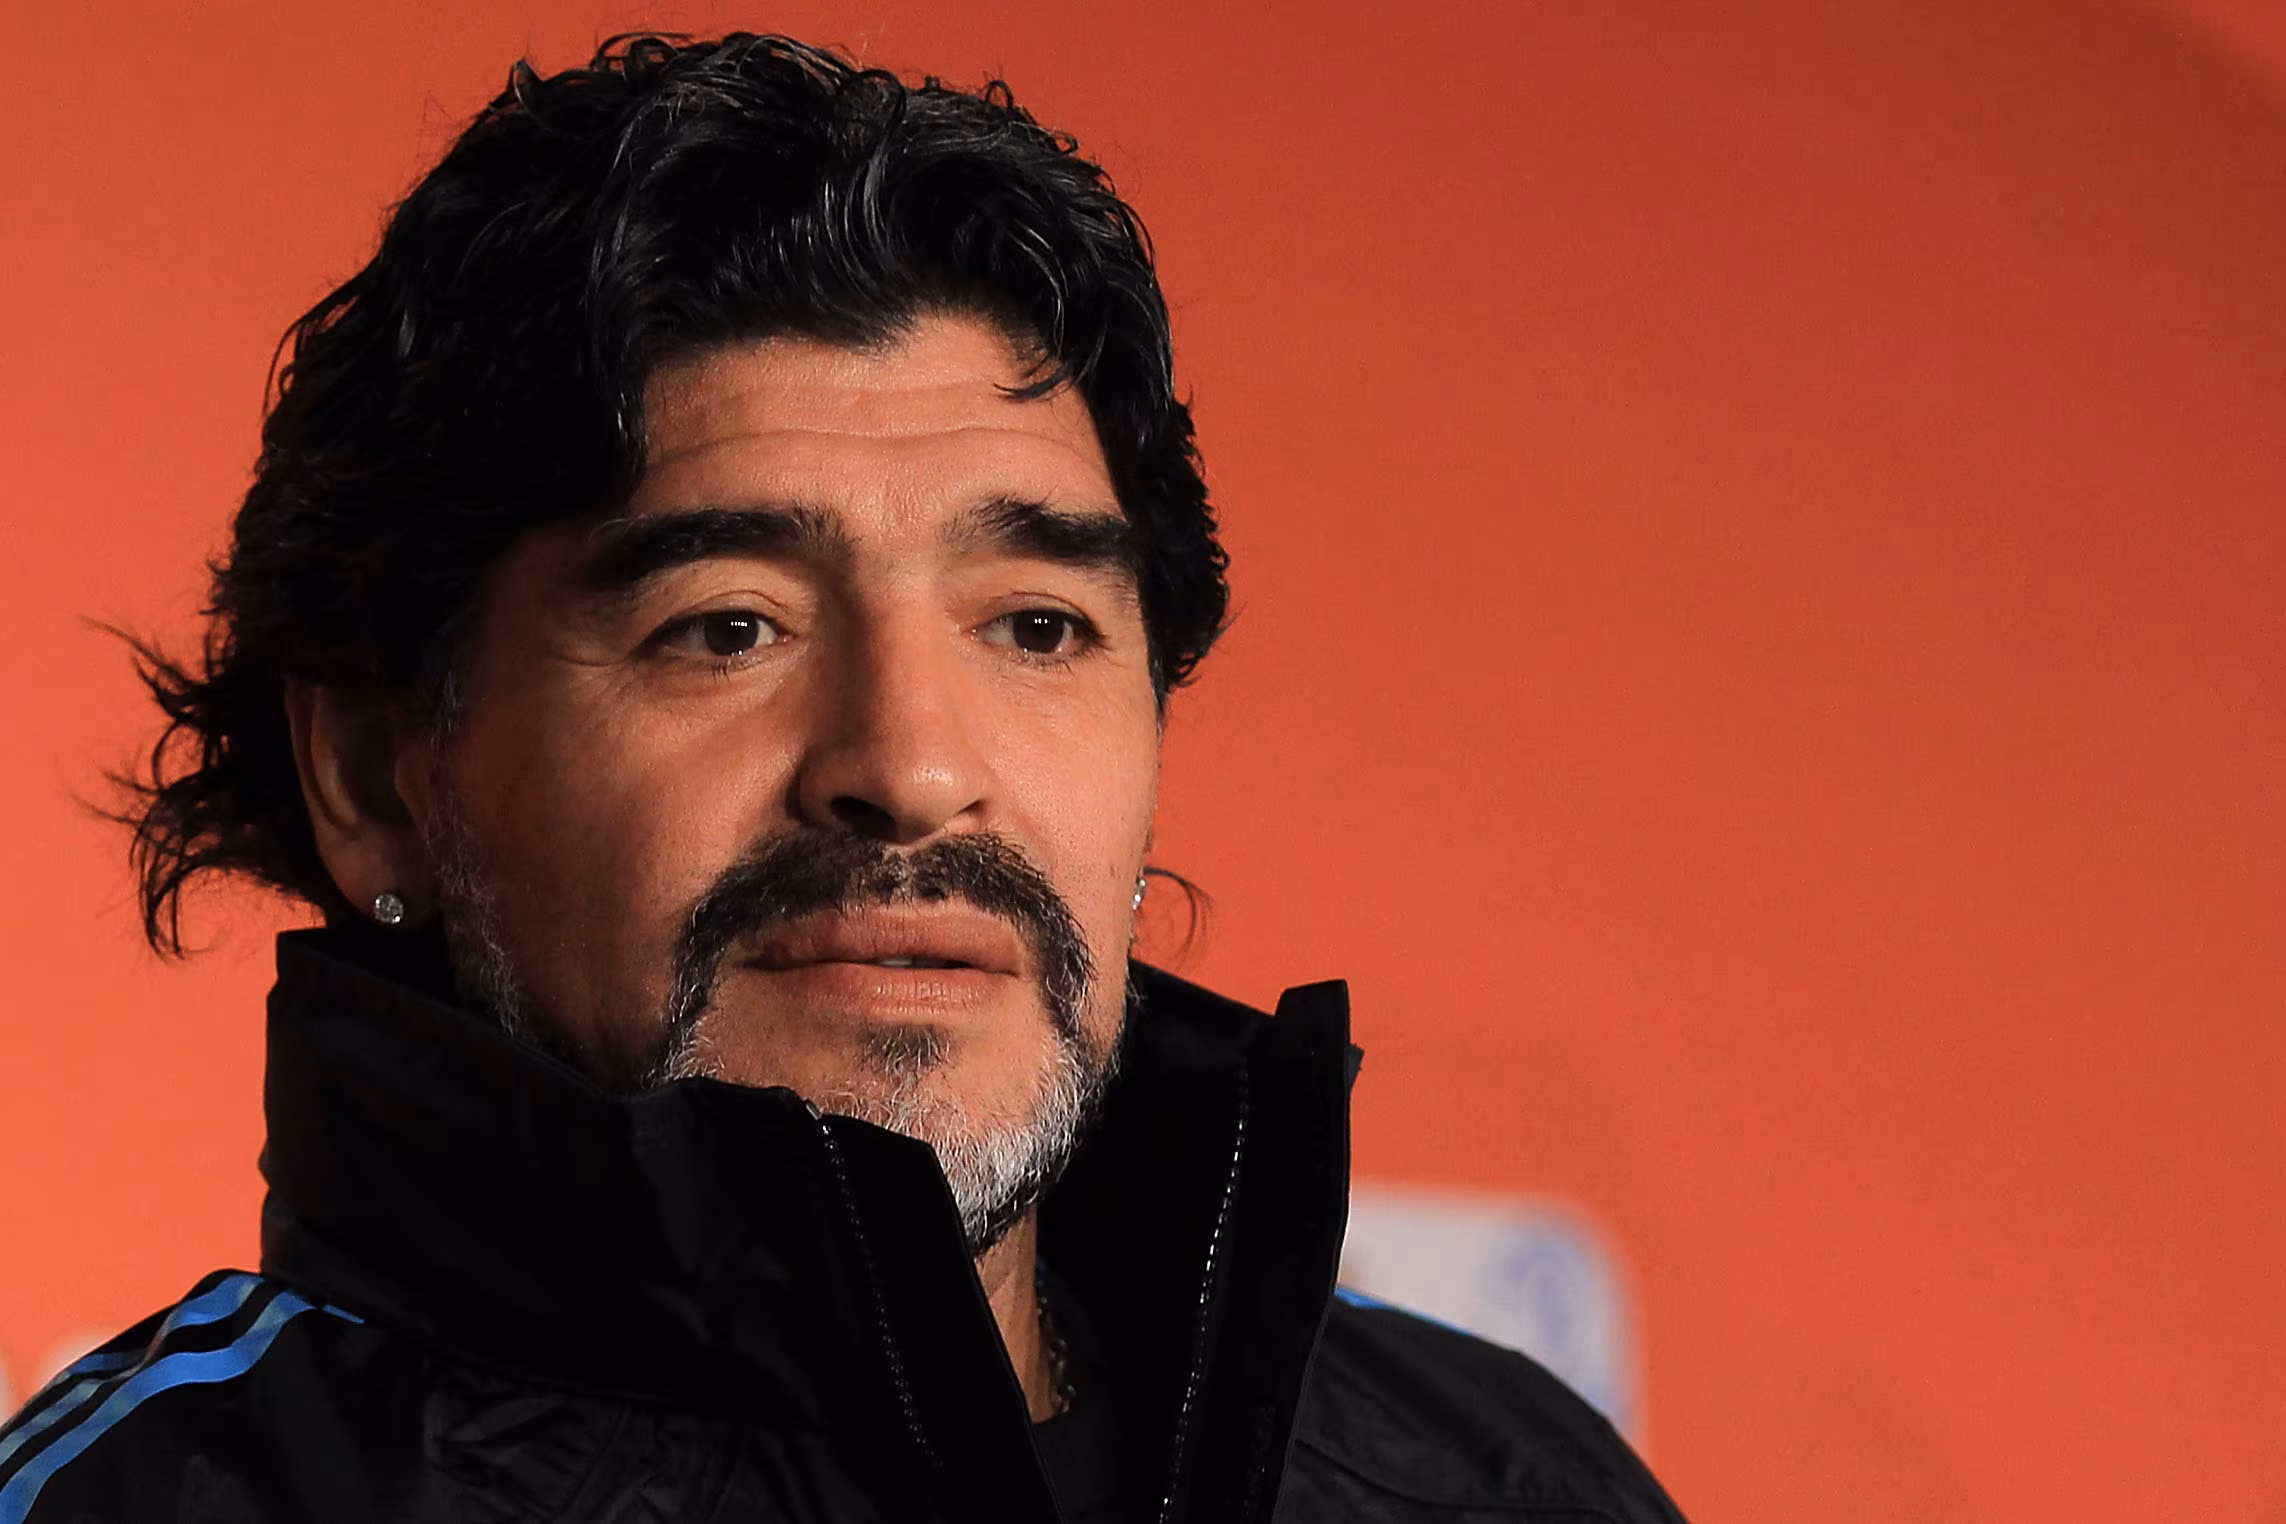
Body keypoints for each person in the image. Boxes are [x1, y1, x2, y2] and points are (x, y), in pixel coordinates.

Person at [0, 33, 1687, 1523]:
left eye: (1034, 627)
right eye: (728, 627)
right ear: (378, 777)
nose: (913, 768)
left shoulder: (1509, 1483)